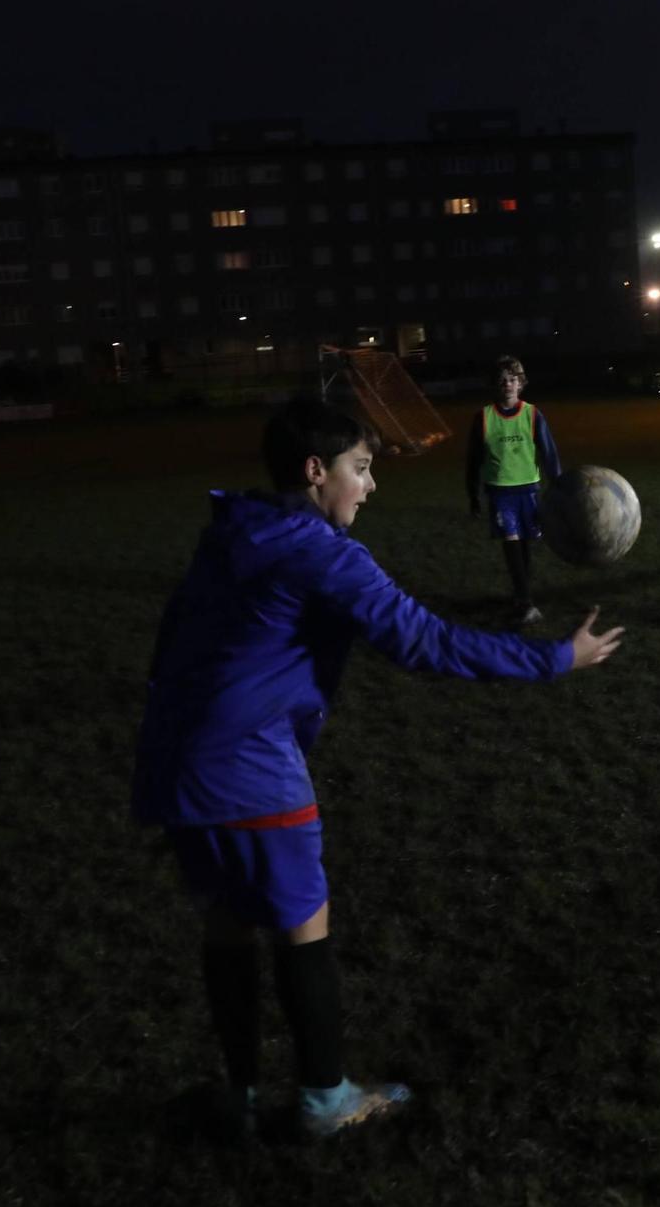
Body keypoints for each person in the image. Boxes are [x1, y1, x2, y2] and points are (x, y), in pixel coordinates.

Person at [135, 398, 623, 1141]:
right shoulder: (321, 551)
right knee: (303, 928)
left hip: (179, 765)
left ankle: (237, 1095)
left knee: (228, 926)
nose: (369, 486)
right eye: (359, 469)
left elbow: (173, 633)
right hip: (252, 770)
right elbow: (424, 641)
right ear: (314, 471)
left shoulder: (233, 526)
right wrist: (556, 656)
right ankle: (326, 1099)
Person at [464, 356, 562, 627]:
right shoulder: (483, 417)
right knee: (512, 543)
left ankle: (522, 595)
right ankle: (526, 601)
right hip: (500, 492)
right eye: (502, 380)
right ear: (495, 385)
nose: (507, 384)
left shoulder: (532, 414)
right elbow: (473, 460)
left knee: (524, 547)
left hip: (528, 490)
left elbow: (549, 453)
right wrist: (473, 495)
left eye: (512, 379)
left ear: (521, 383)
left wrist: (558, 486)